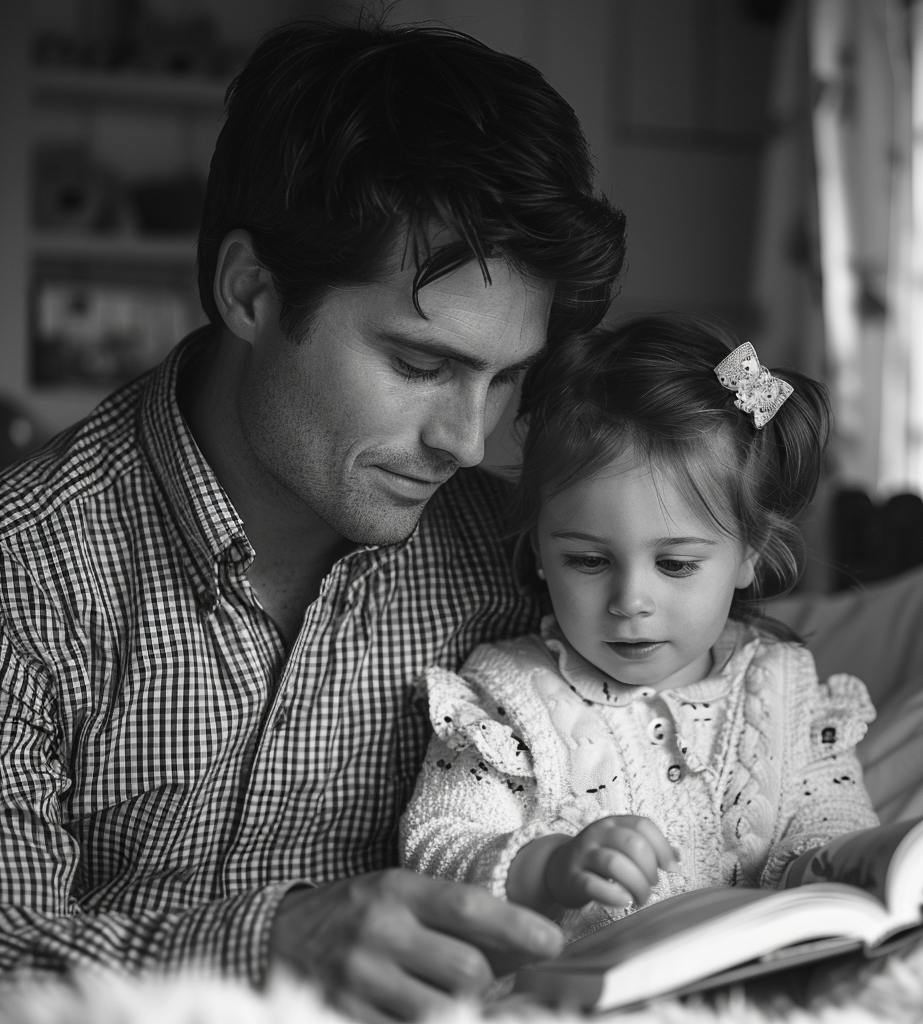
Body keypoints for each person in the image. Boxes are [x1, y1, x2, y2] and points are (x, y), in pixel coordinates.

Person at [0, 17, 625, 1022]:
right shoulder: (26, 573)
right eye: (421, 364)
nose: (467, 440)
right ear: (251, 291)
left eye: (505, 379)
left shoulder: (516, 560)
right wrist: (277, 940)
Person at [401, 316, 879, 939]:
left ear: (750, 553)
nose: (630, 601)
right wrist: (546, 868)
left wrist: (823, 877)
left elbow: (833, 823)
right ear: (540, 550)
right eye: (589, 561)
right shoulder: (506, 698)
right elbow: (439, 844)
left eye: (676, 564)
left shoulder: (785, 689)